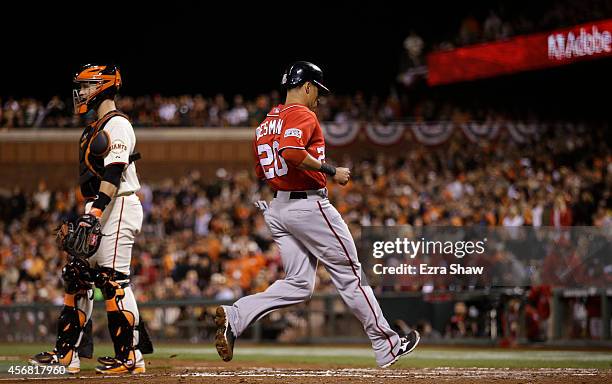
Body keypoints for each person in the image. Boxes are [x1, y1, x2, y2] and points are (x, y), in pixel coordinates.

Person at [214, 61, 419, 368]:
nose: (319, 98)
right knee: (350, 273)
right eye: (317, 91)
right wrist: (331, 170)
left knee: (298, 284)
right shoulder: (301, 113)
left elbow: (261, 170)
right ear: (307, 86)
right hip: (306, 206)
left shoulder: (267, 121)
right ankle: (386, 343)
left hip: (279, 207)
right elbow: (291, 152)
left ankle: (236, 315)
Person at [30, 64, 152, 374]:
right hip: (100, 206)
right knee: (77, 276)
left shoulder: (118, 124)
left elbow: (114, 171)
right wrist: (91, 213)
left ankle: (130, 357)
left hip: (118, 203)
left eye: (87, 86)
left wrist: (94, 214)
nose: (81, 92)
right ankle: (67, 355)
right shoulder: (94, 127)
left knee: (113, 281)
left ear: (103, 86)